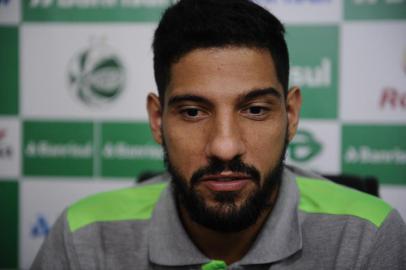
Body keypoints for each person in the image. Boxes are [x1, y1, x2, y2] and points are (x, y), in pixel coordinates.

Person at [32, 0, 406, 269]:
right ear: (157, 120)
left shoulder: (366, 239)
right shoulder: (82, 241)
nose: (225, 146)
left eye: (255, 110)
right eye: (193, 112)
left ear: (291, 115)